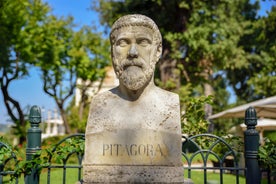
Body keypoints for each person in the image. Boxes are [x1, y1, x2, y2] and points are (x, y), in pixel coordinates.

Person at [84, 14, 183, 183]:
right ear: (112, 52)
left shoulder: (169, 104)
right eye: (123, 43)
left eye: (143, 42)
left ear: (157, 51)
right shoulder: (100, 105)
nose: (132, 53)